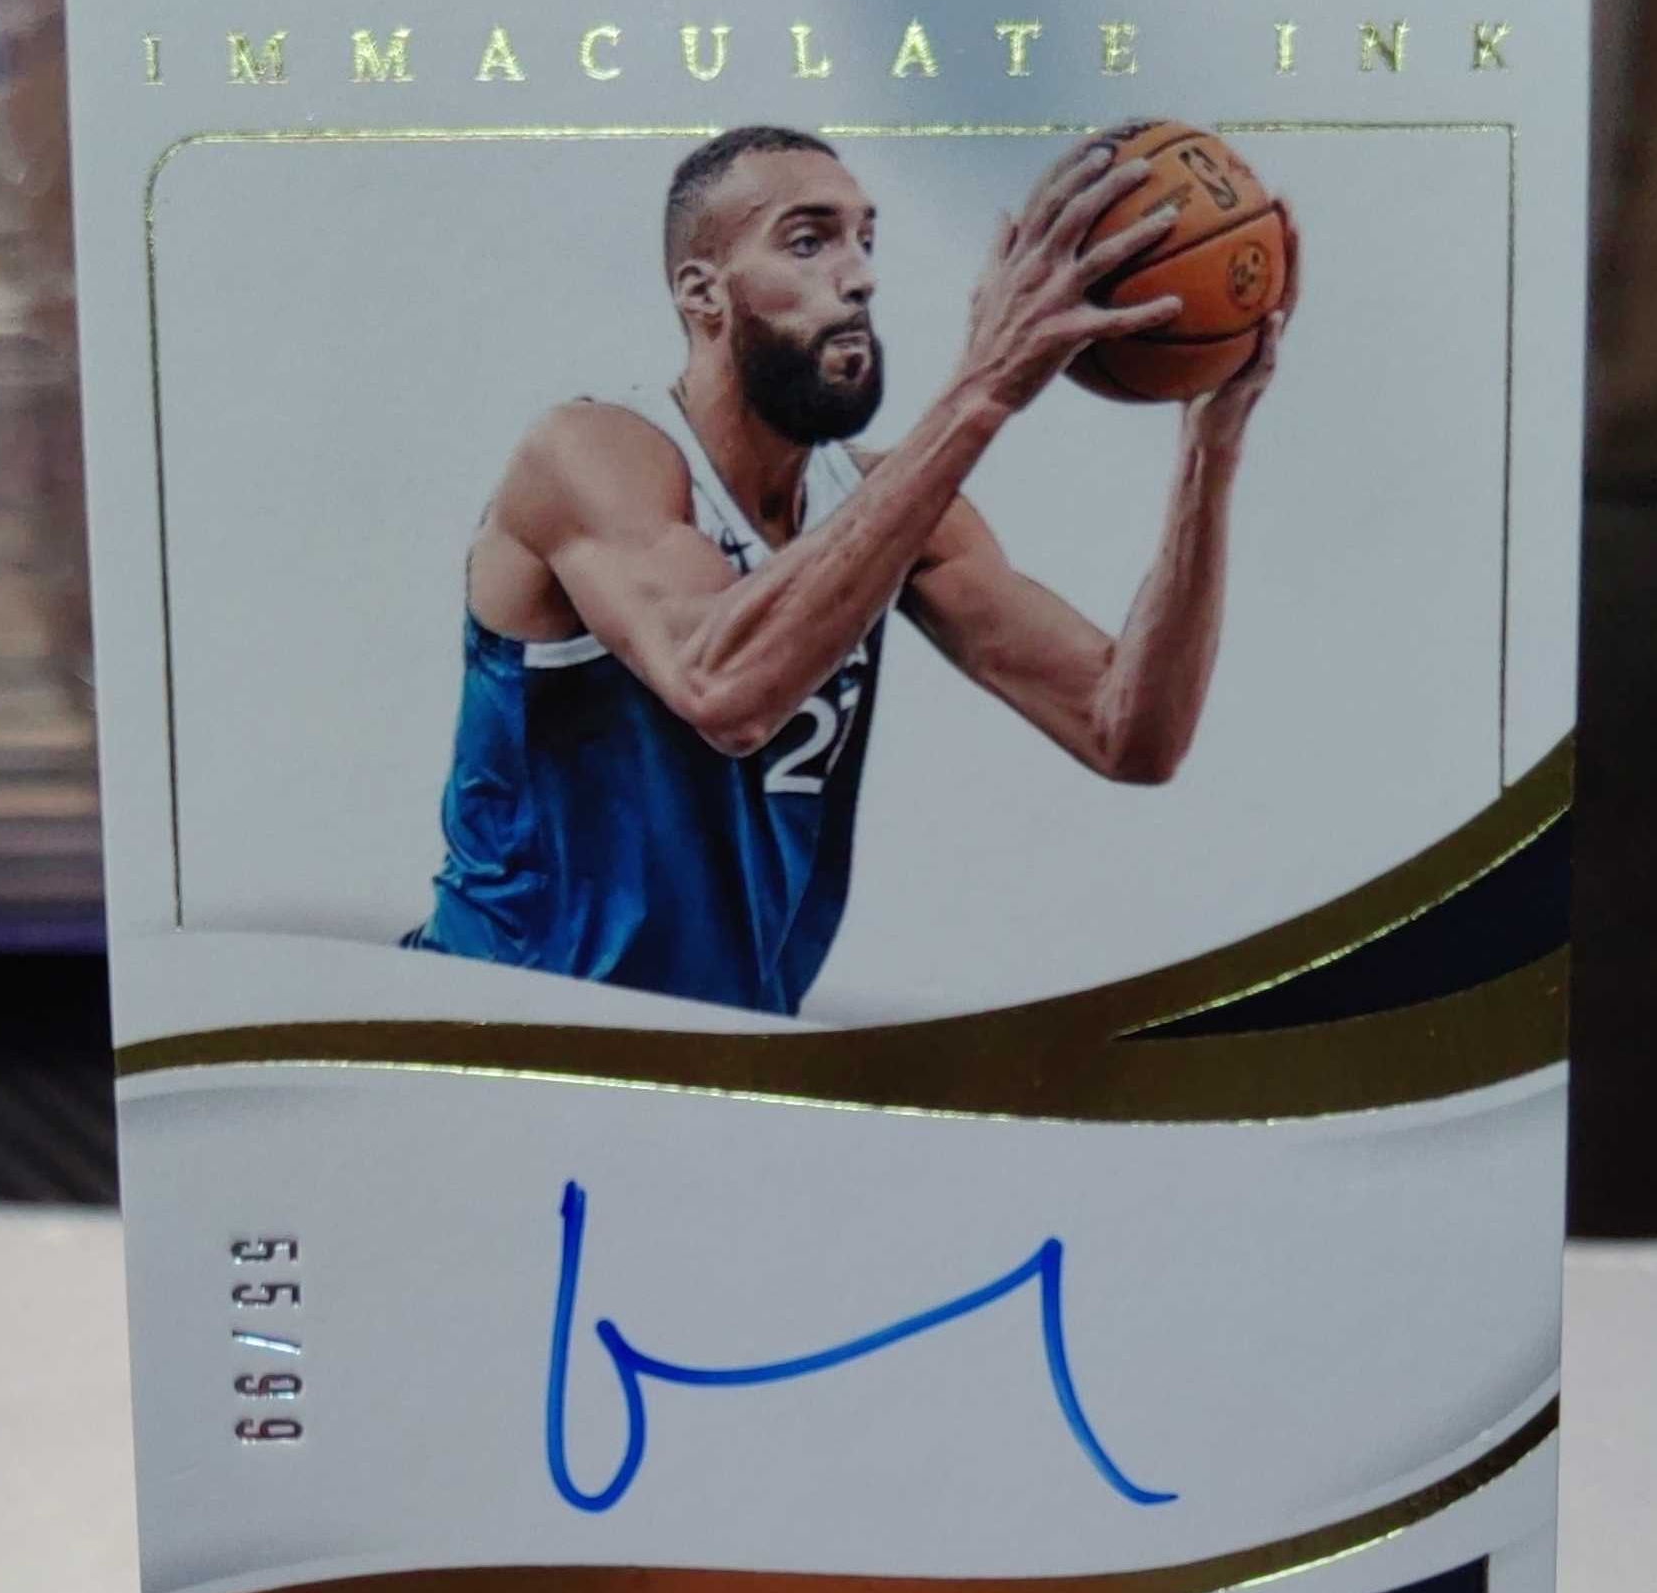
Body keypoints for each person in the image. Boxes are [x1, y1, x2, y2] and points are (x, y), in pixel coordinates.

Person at [407, 122, 1301, 1016]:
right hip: (497, 1032)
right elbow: (722, 687)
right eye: (809, 241)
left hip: (711, 1046)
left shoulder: (887, 506)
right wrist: (982, 388)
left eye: (865, 240)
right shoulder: (589, 455)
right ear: (704, 293)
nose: (860, 275)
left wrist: (1210, 449)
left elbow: (1128, 732)